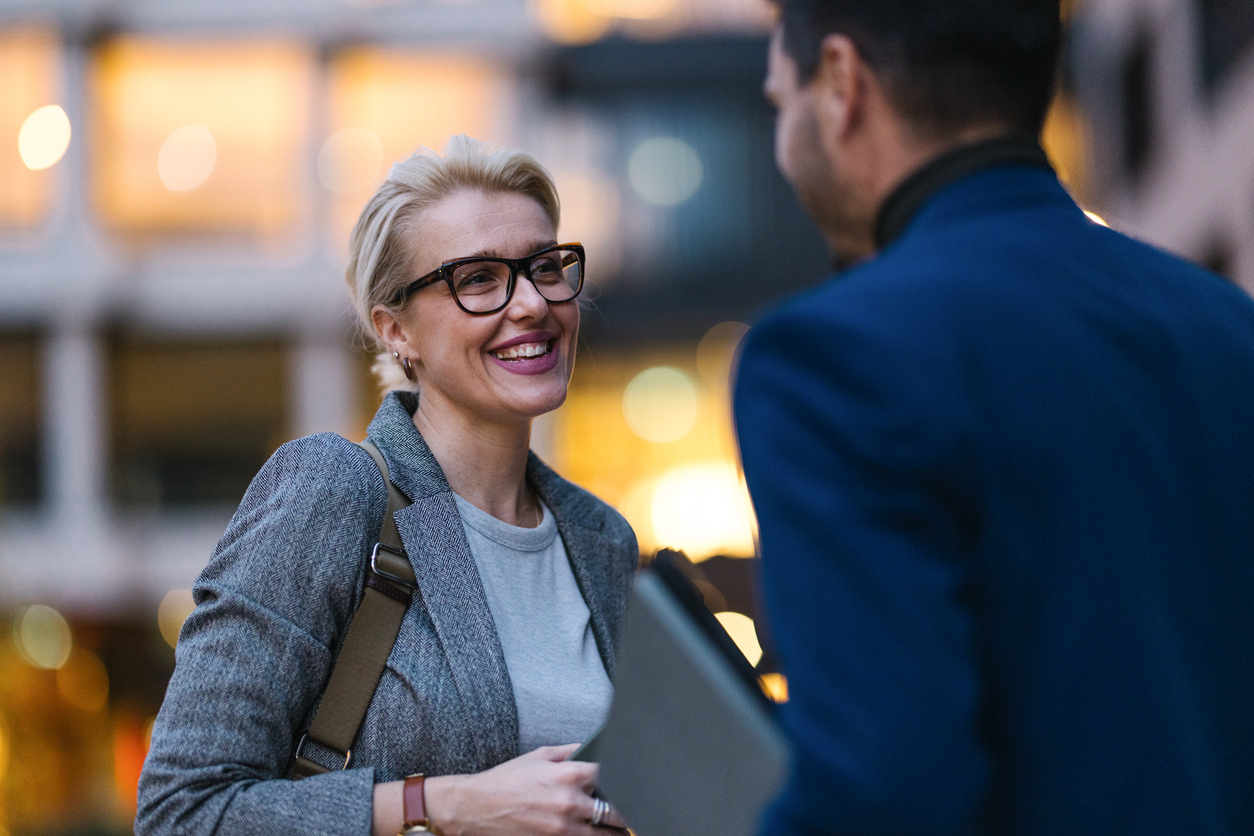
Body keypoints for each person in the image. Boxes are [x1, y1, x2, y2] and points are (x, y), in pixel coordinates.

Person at [733, 2, 1254, 834]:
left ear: (841, 81)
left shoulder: (831, 356)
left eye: (777, 102)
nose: (783, 140)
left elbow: (884, 794)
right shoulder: (1230, 327)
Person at [136, 136, 635, 836]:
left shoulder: (601, 539)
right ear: (395, 329)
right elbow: (181, 812)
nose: (531, 303)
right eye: (480, 279)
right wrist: (443, 805)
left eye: (546, 267)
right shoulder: (336, 492)